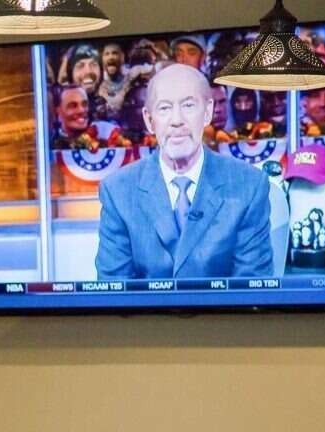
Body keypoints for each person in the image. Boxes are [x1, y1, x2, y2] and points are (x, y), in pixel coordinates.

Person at [95, 64, 273, 279]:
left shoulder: (249, 186)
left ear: (207, 112)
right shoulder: (118, 192)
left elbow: (251, 292)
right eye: (164, 108)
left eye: (188, 105)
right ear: (149, 120)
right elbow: (116, 292)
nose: (177, 120)